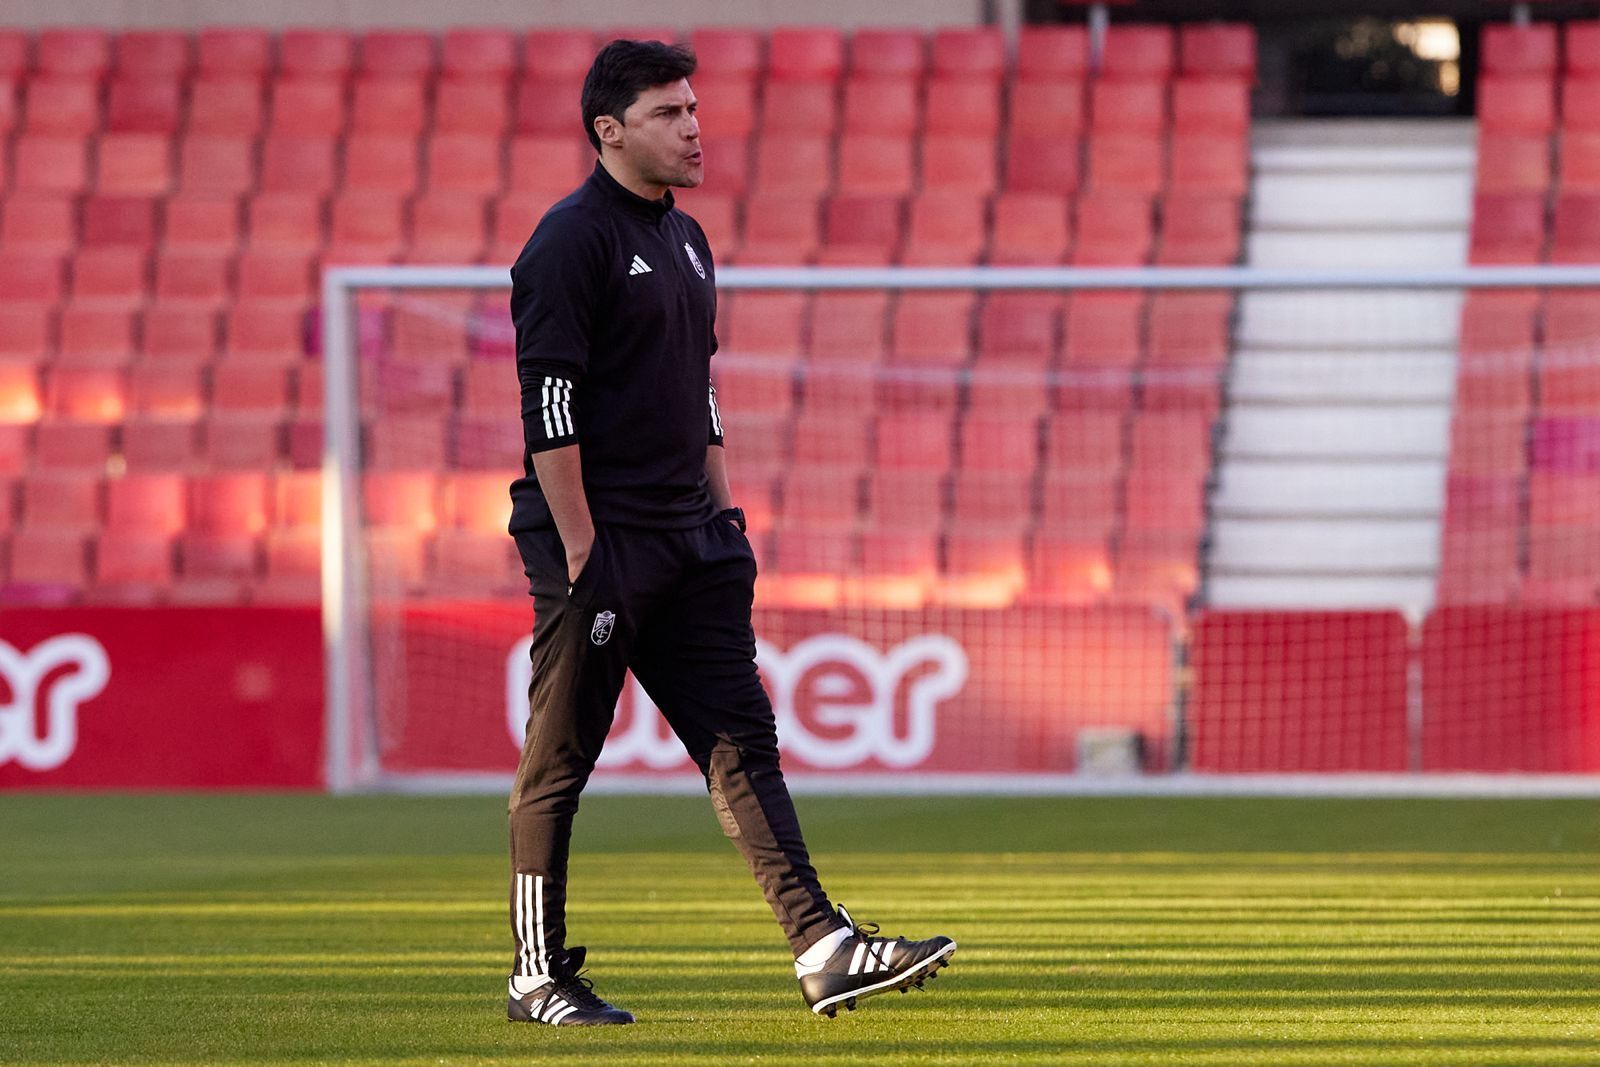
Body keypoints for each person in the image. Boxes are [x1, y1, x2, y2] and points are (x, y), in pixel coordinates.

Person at [502, 39, 956, 1027]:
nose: (695, 126)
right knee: (563, 754)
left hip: (690, 539)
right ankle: (536, 973)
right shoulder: (567, 242)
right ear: (608, 130)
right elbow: (551, 408)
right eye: (670, 113)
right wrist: (582, 548)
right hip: (605, 543)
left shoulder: (690, 239)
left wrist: (722, 513)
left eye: (694, 108)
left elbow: (696, 389)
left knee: (742, 739)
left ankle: (823, 946)